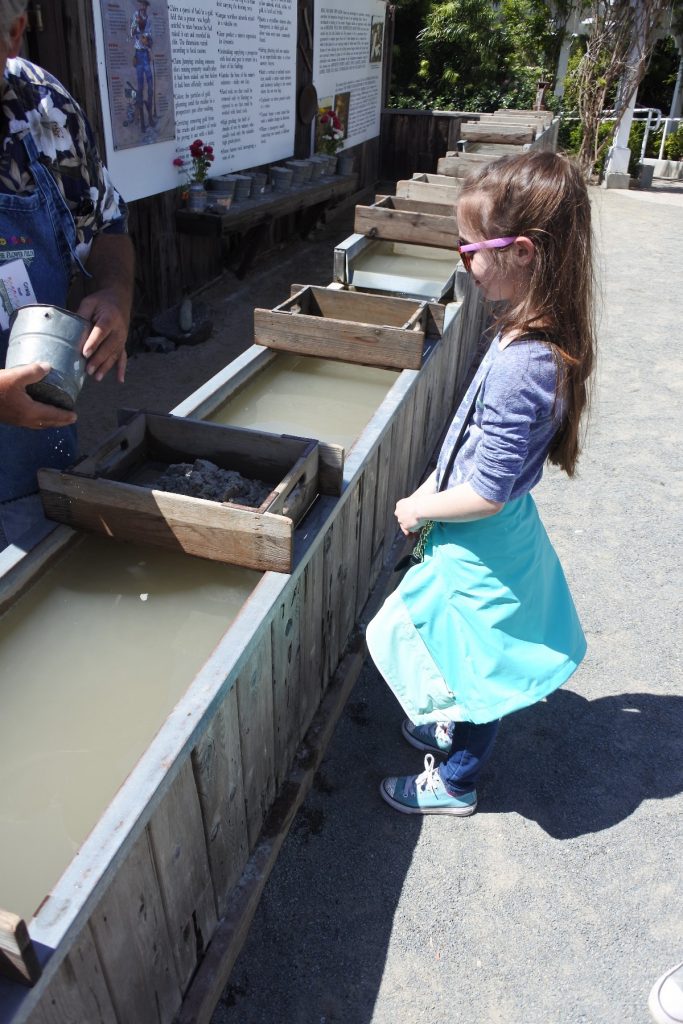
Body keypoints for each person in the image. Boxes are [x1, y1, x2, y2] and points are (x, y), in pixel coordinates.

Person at [366, 151, 595, 815]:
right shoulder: (530, 328)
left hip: (482, 534)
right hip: (490, 533)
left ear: (521, 252)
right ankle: (444, 722)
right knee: (454, 642)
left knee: (476, 667)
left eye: (471, 248)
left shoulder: (520, 363)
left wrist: (419, 502)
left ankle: (456, 780)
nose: (461, 260)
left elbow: (487, 490)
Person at [0, 1, 134, 546]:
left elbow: (107, 223)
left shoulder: (44, 107)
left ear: (12, 33)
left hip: (37, 473)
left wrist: (115, 292)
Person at [130, 0, 156, 132]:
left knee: (150, 87)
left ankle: (150, 117)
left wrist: (148, 42)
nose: (142, 6)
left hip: (146, 54)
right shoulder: (135, 16)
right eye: (140, 3)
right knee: (140, 87)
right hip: (139, 55)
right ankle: (142, 122)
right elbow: (132, 32)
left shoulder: (149, 19)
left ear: (146, 6)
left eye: (144, 4)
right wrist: (138, 26)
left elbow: (149, 38)